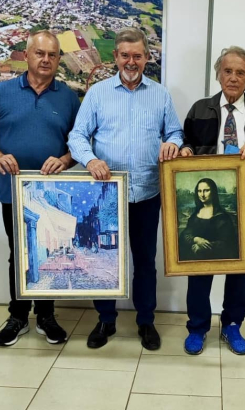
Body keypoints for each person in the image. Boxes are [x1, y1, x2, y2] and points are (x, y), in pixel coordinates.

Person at [68, 27, 183, 351]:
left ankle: (146, 321)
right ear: (115, 57)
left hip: (147, 193)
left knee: (145, 261)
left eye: (137, 56)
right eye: (125, 55)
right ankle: (106, 320)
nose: (131, 62)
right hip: (107, 193)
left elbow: (175, 132)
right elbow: (77, 136)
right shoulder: (98, 94)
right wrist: (90, 160)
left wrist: (173, 144)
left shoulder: (160, 95)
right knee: (104, 258)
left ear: (146, 57)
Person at [0, 30, 80, 346]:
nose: (46, 60)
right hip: (13, 190)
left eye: (52, 55)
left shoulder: (68, 97)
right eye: (40, 53)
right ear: (26, 55)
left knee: (47, 251)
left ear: (58, 59)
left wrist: (65, 160)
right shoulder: (2, 92)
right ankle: (18, 316)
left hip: (51, 193)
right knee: (18, 254)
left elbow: (80, 143)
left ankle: (46, 316)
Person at [181, 46, 245, 355]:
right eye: (228, 71)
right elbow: (185, 142)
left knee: (240, 267)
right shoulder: (199, 109)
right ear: (218, 74)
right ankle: (198, 327)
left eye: (241, 72)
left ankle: (233, 325)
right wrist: (185, 150)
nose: (234, 78)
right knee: (201, 265)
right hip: (204, 206)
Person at [179, 178, 238, 261]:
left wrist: (203, 246)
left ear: (213, 192)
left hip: (215, 259)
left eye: (206, 190)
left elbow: (228, 243)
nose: (202, 194)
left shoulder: (222, 217)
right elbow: (185, 234)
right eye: (199, 191)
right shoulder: (195, 215)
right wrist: (196, 239)